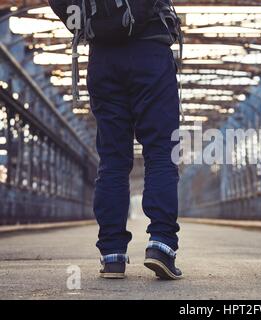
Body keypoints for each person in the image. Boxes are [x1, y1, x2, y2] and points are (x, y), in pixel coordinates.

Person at [49, 0, 182, 280]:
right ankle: (161, 246)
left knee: (112, 161)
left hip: (103, 59)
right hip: (150, 51)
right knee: (160, 153)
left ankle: (112, 256)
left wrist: (91, 23)